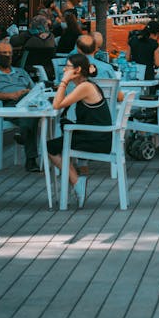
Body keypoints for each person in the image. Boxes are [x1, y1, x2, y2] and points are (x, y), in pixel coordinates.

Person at [47, 54, 112, 207]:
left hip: (97, 139)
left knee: (51, 147)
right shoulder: (85, 85)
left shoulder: (85, 87)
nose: (64, 69)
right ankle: (75, 180)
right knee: (57, 143)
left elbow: (57, 105)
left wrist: (64, 81)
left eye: (67, 67)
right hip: (97, 135)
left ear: (77, 70)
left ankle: (76, 182)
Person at [0, 40, 41, 172]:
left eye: (10, 53)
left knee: (30, 111)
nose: (8, 56)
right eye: (4, 53)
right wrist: (11, 95)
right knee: (32, 115)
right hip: (8, 105)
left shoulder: (21, 72)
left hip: (29, 103)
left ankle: (23, 133)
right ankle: (30, 159)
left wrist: (30, 94)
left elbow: (35, 89)